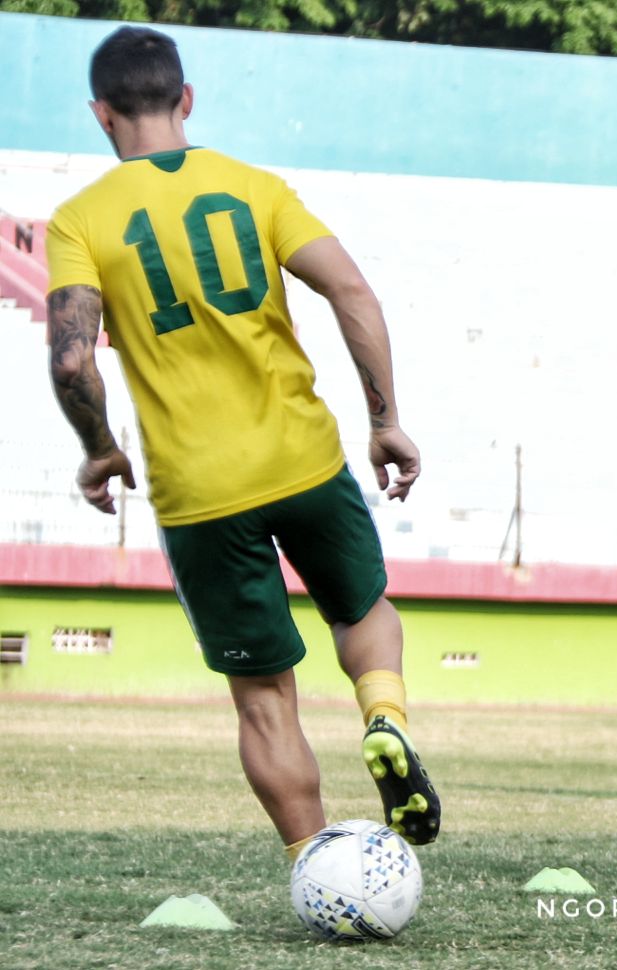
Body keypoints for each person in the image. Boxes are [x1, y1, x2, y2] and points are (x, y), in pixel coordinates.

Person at [44, 26, 440, 857]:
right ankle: (384, 717)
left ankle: (317, 863)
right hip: (301, 457)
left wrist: (100, 447)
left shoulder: (81, 220)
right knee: (363, 609)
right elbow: (352, 292)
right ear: (186, 100)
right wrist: (383, 419)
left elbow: (74, 355)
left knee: (263, 697)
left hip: (199, 491)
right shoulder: (255, 188)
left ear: (101, 114)